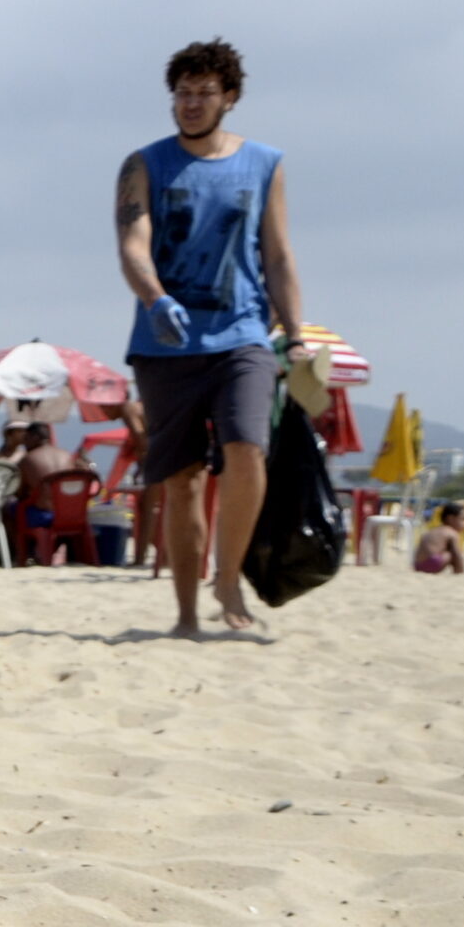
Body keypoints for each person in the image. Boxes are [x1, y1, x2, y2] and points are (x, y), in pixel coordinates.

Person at [116, 37, 303, 636]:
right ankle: (186, 614)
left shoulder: (265, 163)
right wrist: (155, 297)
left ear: (230, 98)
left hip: (243, 333)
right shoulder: (144, 164)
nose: (191, 103)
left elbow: (276, 253)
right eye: (183, 93)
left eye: (204, 93)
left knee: (248, 449)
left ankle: (228, 580)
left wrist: (295, 334)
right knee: (183, 480)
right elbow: (132, 243)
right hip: (165, 343)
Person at [415, 503, 464, 574]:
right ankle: (458, 571)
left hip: (417, 565)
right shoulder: (451, 532)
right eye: (463, 520)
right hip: (433, 563)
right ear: (450, 518)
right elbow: (456, 554)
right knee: (452, 554)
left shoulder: (433, 530)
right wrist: (461, 570)